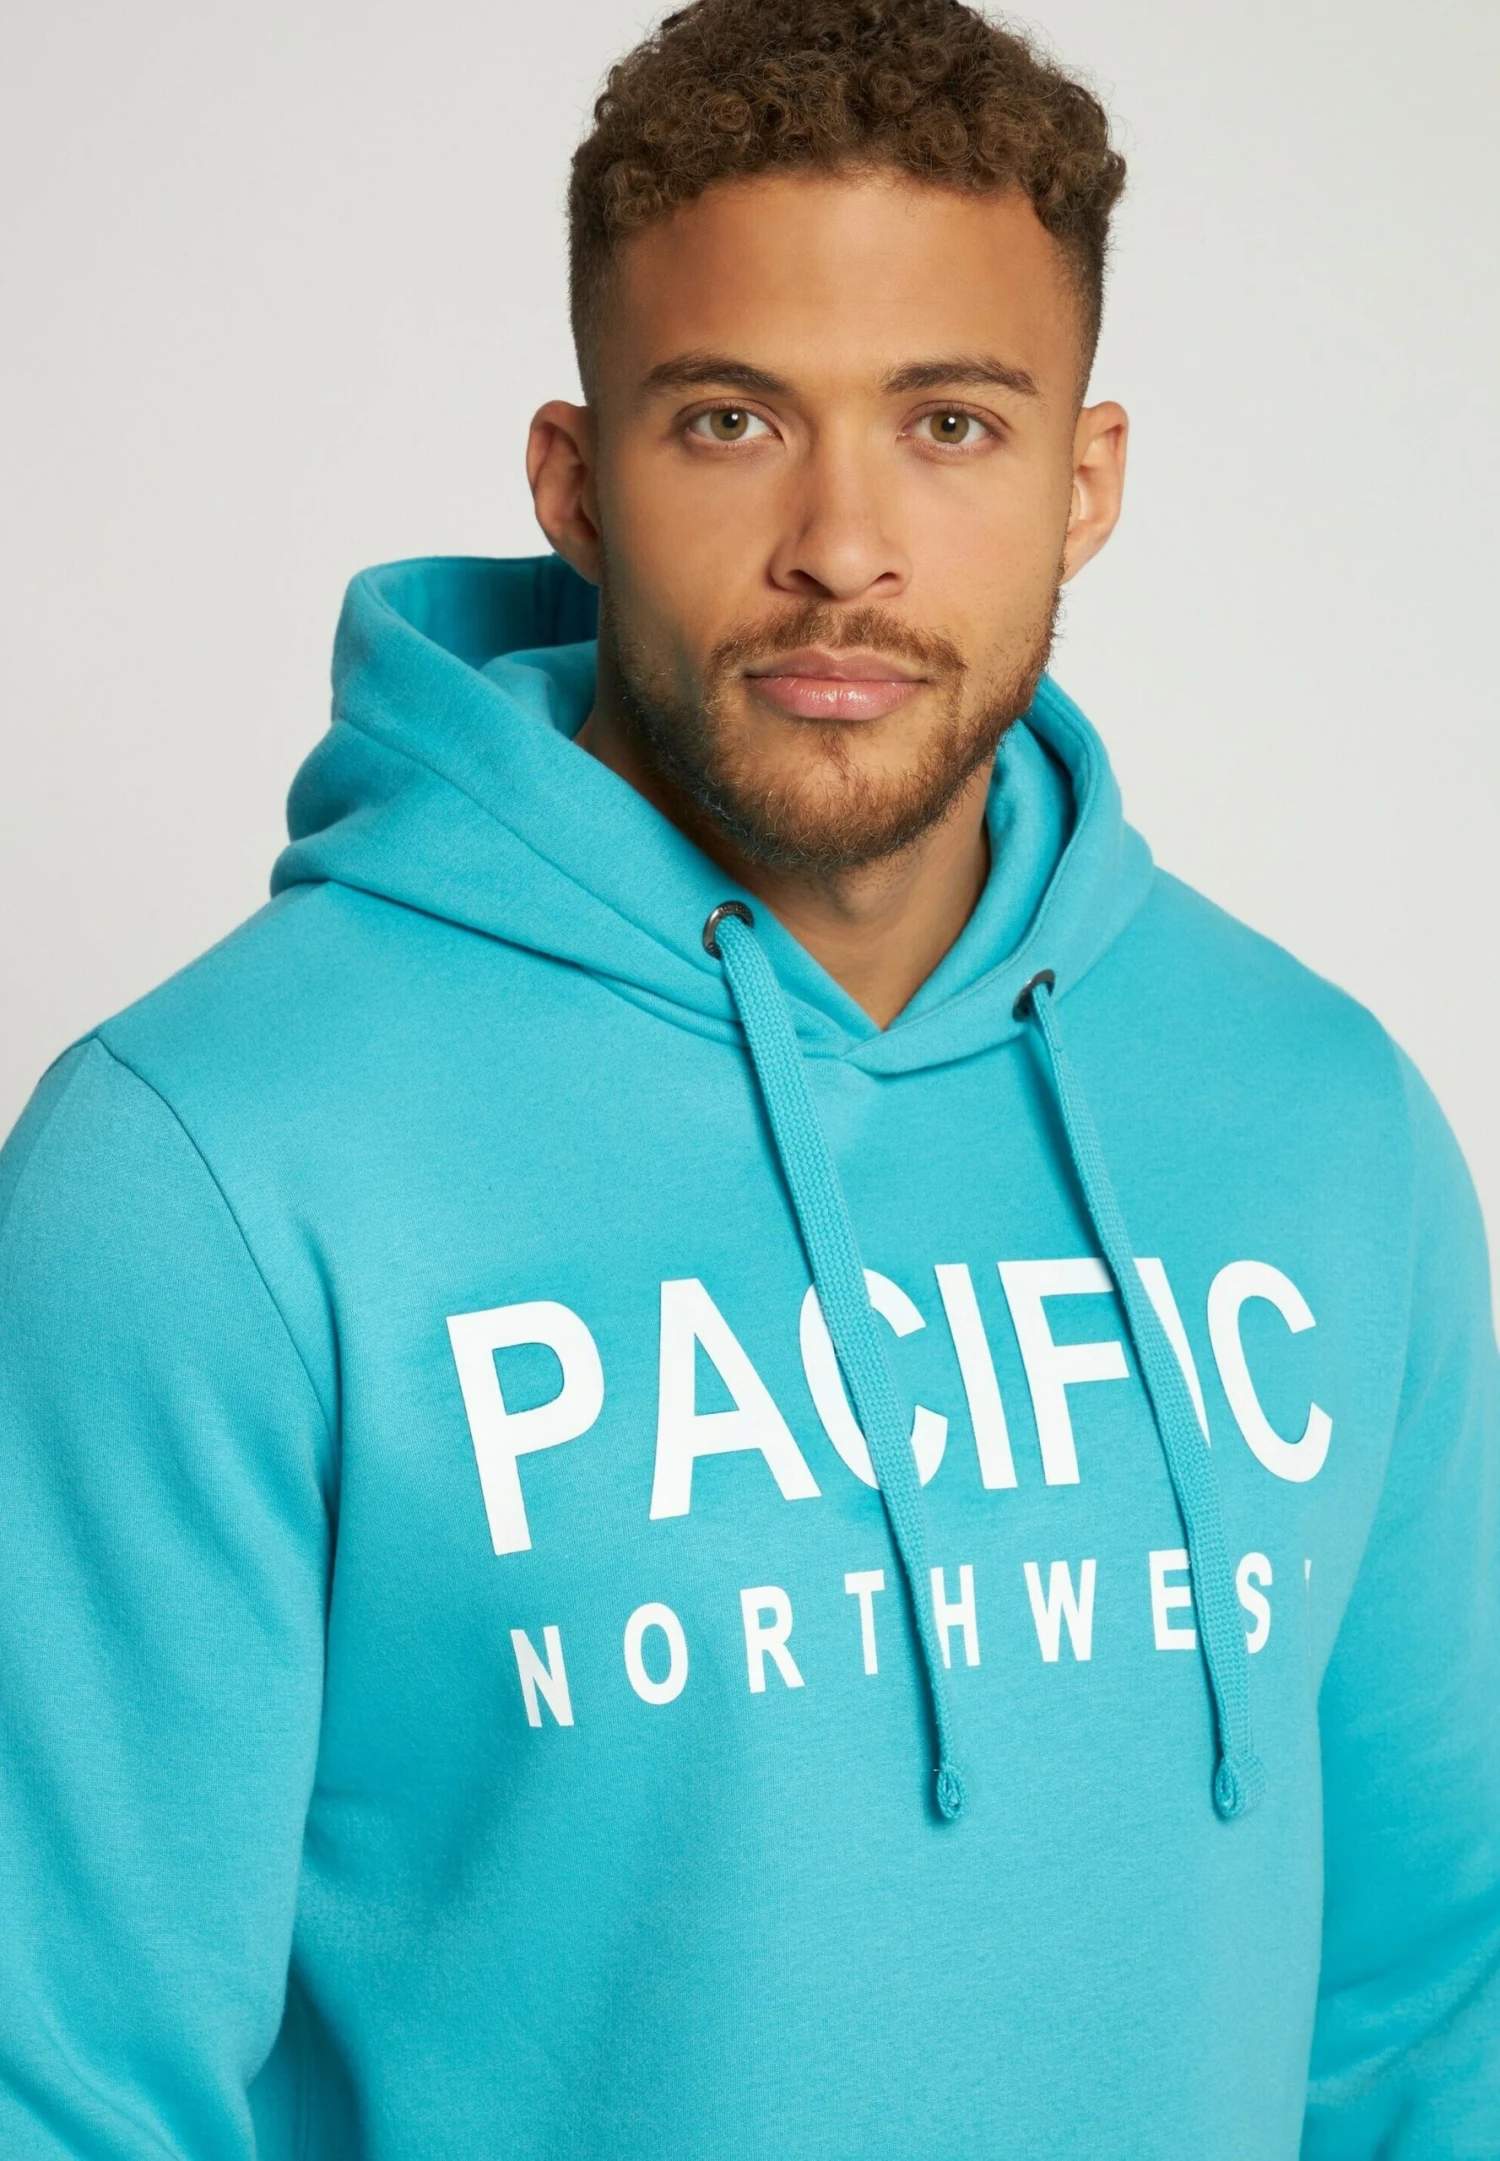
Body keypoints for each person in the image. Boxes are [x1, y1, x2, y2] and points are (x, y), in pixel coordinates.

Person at [1, 0, 1495, 2153]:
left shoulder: (1322, 1124)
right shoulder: (208, 1164)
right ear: (574, 480)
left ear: (1086, 484)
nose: (842, 545)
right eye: (728, 420)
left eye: (951, 423)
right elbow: (63, 2078)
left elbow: (1433, 2013)